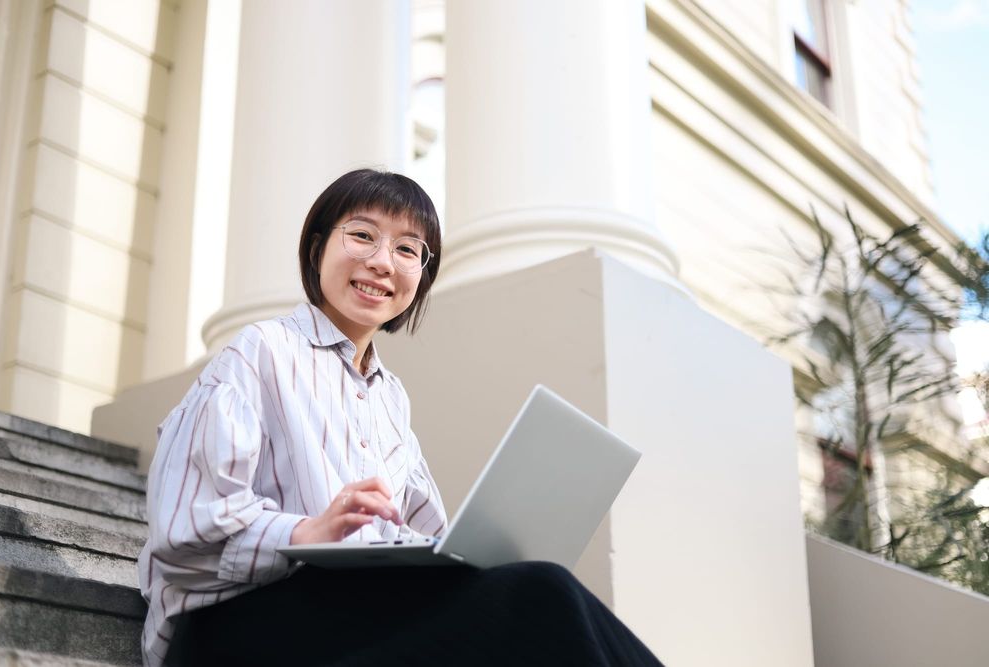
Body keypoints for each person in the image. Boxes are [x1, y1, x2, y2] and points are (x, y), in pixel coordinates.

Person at [139, 169, 663, 666]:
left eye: (407, 249)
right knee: (539, 596)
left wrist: (483, 551)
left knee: (540, 589)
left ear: (420, 276)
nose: (383, 262)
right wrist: (306, 531)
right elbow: (184, 533)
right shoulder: (260, 351)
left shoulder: (390, 398)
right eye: (363, 236)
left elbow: (421, 537)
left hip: (352, 617)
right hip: (235, 628)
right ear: (318, 246)